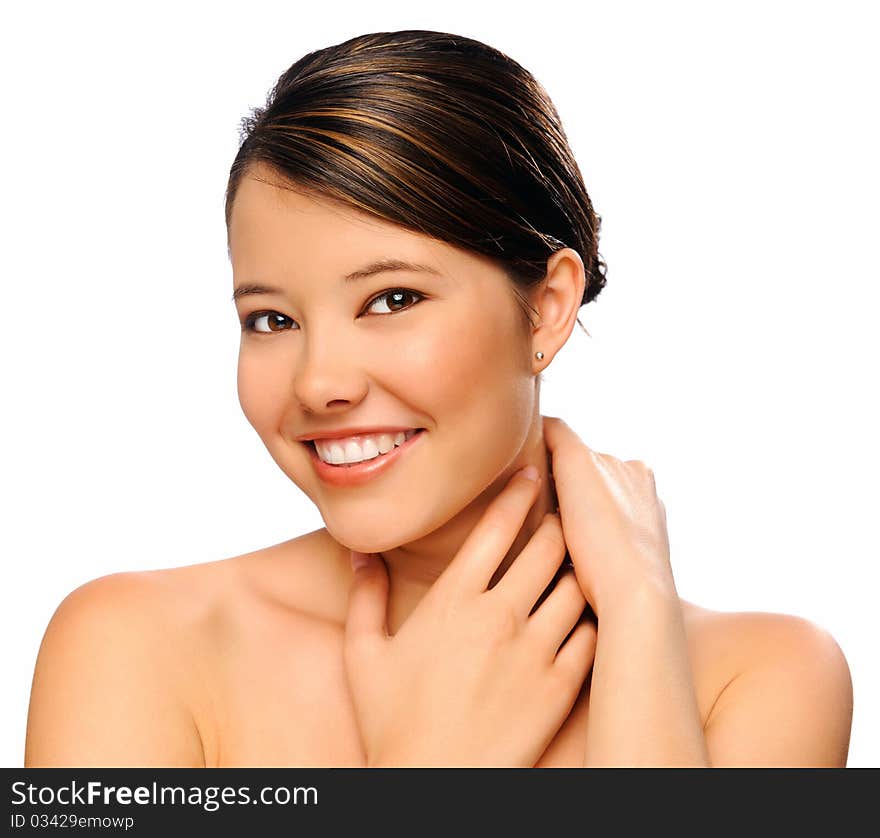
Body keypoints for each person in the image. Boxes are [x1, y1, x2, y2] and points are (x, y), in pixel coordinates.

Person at [24, 29, 852, 768]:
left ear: (548, 305)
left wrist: (639, 623)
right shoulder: (132, 646)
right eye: (271, 318)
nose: (318, 383)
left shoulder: (763, 678)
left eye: (392, 300)